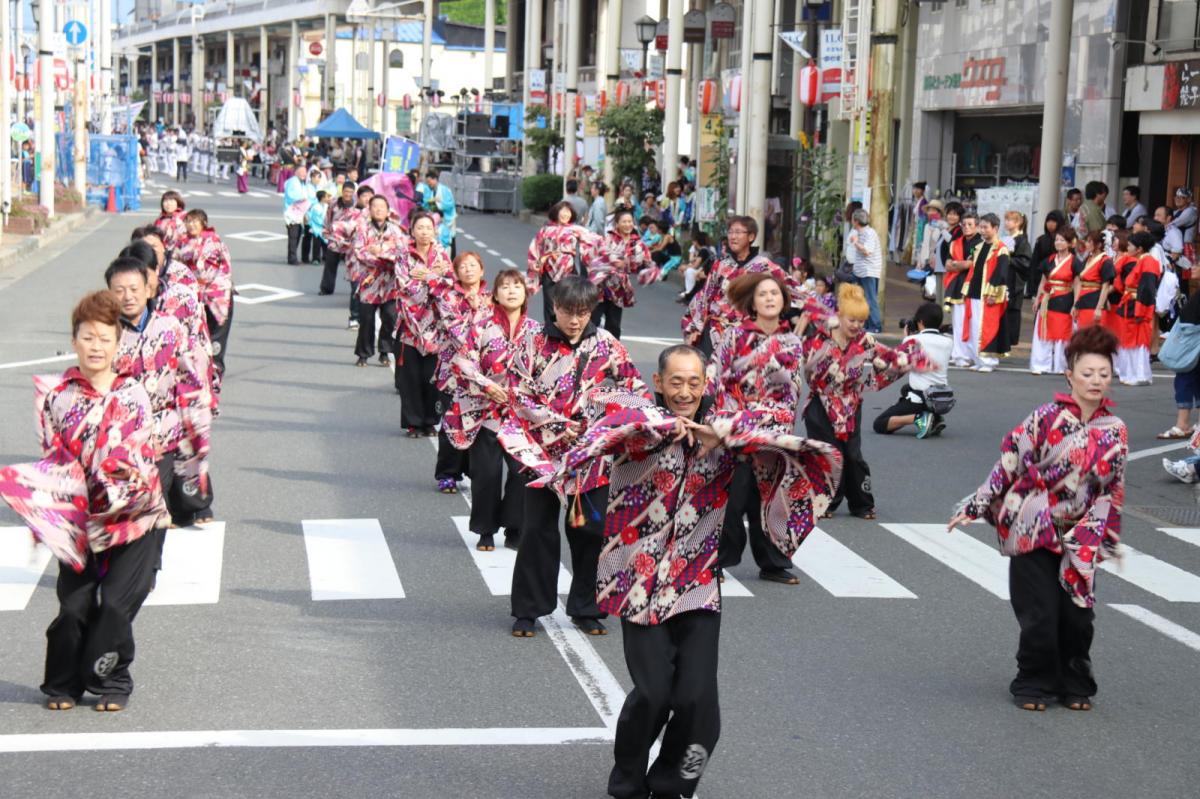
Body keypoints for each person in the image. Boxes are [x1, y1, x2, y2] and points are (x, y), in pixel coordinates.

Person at [552, 345, 838, 799]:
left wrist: (719, 432)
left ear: (706, 385)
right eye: (676, 382)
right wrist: (671, 426)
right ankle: (627, 781)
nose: (685, 392)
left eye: (694, 382)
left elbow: (775, 422)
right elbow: (606, 418)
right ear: (659, 383)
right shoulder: (636, 420)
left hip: (697, 581)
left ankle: (673, 783)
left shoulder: (724, 431)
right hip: (636, 582)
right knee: (653, 693)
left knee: (697, 700)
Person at [0, 291, 169, 712]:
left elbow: (144, 455)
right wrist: (45, 514)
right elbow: (52, 462)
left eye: (105, 338)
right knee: (73, 608)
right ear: (75, 340)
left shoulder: (134, 394)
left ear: (117, 344)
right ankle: (62, 683)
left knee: (114, 603)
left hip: (133, 518)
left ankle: (113, 678)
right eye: (88, 337)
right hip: (80, 521)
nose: (97, 346)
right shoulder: (57, 397)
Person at [949, 325, 1126, 713]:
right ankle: (1032, 681)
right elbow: (1009, 462)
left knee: (1078, 616)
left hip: (1082, 535)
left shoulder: (1116, 431)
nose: (1095, 381)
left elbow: (1114, 487)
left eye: (1103, 373)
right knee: (1040, 613)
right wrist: (976, 504)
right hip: (1032, 525)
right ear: (1070, 375)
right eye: (1087, 373)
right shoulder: (1046, 418)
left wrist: (1110, 536)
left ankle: (1074, 680)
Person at [502, 276, 644, 638]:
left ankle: (586, 607)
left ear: (592, 310)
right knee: (537, 531)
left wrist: (611, 419)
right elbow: (517, 392)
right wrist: (556, 423)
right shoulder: (533, 342)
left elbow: (634, 389)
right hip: (541, 455)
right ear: (554, 307)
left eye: (582, 312)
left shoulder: (607, 345)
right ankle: (528, 609)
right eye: (568, 311)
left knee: (591, 531)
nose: (575, 320)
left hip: (591, 455)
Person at [710, 273, 836, 584]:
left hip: (776, 433)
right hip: (738, 432)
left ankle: (773, 562)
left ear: (784, 301)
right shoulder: (734, 336)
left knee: (772, 499)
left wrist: (780, 427)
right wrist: (729, 424)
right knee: (731, 500)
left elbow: (792, 389)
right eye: (763, 294)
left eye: (775, 294)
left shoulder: (792, 341)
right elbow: (719, 381)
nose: (769, 298)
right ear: (751, 302)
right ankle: (717, 561)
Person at [802, 283, 927, 520]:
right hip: (821, 404)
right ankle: (825, 503)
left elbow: (890, 357)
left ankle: (862, 504)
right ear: (840, 315)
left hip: (850, 405)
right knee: (828, 455)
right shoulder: (820, 336)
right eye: (852, 320)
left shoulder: (865, 340)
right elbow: (807, 368)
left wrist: (912, 358)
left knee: (853, 455)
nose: (856, 325)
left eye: (861, 321)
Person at [107, 256, 211, 538]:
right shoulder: (105, 333)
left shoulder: (170, 327)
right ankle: (131, 567)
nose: (127, 297)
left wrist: (194, 422)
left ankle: (149, 567)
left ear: (149, 289)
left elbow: (190, 378)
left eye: (134, 288)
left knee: (155, 497)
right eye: (119, 290)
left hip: (162, 432)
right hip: (119, 437)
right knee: (125, 504)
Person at [442, 269, 538, 551]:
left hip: (521, 416)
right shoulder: (481, 326)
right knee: (486, 474)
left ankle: (514, 526)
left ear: (525, 293)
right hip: (485, 413)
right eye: (505, 286)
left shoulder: (536, 331)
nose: (511, 290)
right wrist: (485, 385)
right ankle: (485, 531)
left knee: (523, 472)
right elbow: (463, 362)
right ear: (495, 294)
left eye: (517, 286)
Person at [682, 215, 800, 357]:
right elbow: (705, 296)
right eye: (730, 232)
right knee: (708, 375)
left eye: (738, 232)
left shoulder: (764, 266)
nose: (733, 237)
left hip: (747, 335)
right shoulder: (721, 264)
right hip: (715, 331)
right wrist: (694, 327)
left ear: (751, 237)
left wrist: (822, 310)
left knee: (741, 377)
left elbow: (795, 290)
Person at [425, 249, 483, 493]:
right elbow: (458, 333)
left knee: (479, 424)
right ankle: (447, 473)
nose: (469, 269)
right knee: (451, 421)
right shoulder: (449, 298)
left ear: (482, 270)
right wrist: (476, 312)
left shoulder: (492, 298)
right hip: (453, 372)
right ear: (456, 273)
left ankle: (474, 470)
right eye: (463, 266)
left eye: (473, 265)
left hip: (484, 375)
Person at [393, 211, 452, 437]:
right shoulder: (403, 255)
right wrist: (432, 277)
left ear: (434, 230)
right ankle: (413, 423)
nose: (424, 232)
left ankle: (430, 421)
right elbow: (405, 287)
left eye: (428, 227)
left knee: (432, 378)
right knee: (410, 379)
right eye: (420, 227)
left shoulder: (442, 254)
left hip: (437, 329)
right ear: (412, 230)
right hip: (409, 327)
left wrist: (425, 276)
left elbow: (447, 287)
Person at [525, 201, 612, 325]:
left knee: (569, 301)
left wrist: (609, 251)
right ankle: (550, 333)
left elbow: (596, 240)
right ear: (556, 212)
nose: (565, 214)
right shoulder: (545, 230)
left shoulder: (576, 229)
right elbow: (535, 247)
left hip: (569, 269)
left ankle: (566, 332)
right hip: (549, 270)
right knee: (550, 305)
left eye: (568, 212)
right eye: (563, 211)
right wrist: (536, 263)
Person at [873, 302, 952, 438]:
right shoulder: (949, 342)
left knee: (879, 424)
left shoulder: (912, 339)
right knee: (905, 389)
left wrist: (906, 337)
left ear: (920, 322)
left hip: (920, 398)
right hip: (941, 397)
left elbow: (897, 362)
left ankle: (919, 418)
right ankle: (935, 417)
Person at [175, 209, 234, 383]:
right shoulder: (182, 244)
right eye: (189, 221)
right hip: (193, 296)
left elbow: (225, 268)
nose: (191, 225)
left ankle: (215, 371)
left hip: (217, 296)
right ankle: (196, 368)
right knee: (196, 333)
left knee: (216, 336)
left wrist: (211, 288)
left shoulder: (215, 242)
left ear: (204, 223)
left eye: (195, 221)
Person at [352, 195, 404, 368]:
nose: (378, 209)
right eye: (375, 206)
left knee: (390, 317)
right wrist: (382, 258)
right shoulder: (362, 229)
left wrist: (380, 252)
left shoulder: (396, 231)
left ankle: (385, 350)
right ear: (370, 209)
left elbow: (401, 253)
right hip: (369, 282)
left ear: (388, 211)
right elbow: (360, 252)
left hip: (390, 283)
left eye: (382, 206)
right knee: (366, 319)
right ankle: (363, 354)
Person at [959, 212, 1011, 372]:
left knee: (988, 327)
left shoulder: (1001, 249)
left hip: (988, 294)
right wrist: (966, 289)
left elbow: (1001, 273)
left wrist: (993, 293)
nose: (982, 230)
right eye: (981, 227)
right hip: (975, 292)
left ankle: (989, 361)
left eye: (985, 227)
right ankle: (978, 359)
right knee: (975, 327)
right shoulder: (979, 247)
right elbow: (973, 271)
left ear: (995, 228)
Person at [592, 208, 652, 340]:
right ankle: (587, 350)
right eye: (624, 221)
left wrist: (645, 269)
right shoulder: (608, 238)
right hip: (600, 285)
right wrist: (613, 262)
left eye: (630, 221)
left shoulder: (637, 243)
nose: (627, 224)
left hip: (619, 288)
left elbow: (645, 262)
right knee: (593, 320)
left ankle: (613, 354)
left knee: (614, 324)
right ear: (617, 224)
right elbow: (597, 256)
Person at [1114, 231, 1162, 386]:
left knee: (1138, 339)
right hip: (1131, 302)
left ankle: (1138, 374)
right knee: (1130, 339)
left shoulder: (1148, 262)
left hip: (1137, 304)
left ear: (1139, 248)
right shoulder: (1142, 260)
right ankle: (1131, 372)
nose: (1127, 247)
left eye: (1130, 245)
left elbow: (1147, 288)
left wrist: (1142, 310)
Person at [1030, 227, 1079, 375]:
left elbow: (1077, 285)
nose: (1058, 242)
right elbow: (1043, 281)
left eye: (1062, 240)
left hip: (1065, 299)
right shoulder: (1049, 260)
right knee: (1043, 331)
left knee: (1062, 333)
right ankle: (1040, 364)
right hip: (1047, 299)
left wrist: (1076, 304)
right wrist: (1037, 299)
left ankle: (1060, 365)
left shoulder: (1074, 262)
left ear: (1070, 243)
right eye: (1057, 240)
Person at [330, 184, 375, 329]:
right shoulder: (352, 213)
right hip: (355, 258)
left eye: (370, 196)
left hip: (372, 261)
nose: (367, 199)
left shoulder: (378, 214)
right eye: (364, 196)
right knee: (356, 287)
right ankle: (354, 317)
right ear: (359, 197)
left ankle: (366, 318)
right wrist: (345, 244)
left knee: (369, 290)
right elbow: (339, 230)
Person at [1158, 290, 1200, 441]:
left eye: (1197, 264)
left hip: (1192, 340)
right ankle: (1186, 425)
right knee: (1189, 379)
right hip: (1191, 339)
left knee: (1184, 379)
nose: (1193, 267)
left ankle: (1182, 425)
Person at [847, 209, 883, 333]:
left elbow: (867, 251)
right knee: (862, 299)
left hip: (869, 271)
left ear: (856, 221)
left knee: (870, 298)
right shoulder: (859, 233)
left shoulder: (869, 233)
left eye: (852, 219)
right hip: (860, 271)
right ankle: (867, 324)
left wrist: (856, 243)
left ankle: (876, 326)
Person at [319, 181, 358, 296]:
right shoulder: (333, 203)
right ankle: (326, 288)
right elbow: (328, 217)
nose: (348, 194)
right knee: (330, 264)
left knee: (353, 266)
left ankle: (355, 290)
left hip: (350, 240)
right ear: (342, 191)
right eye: (346, 191)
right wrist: (326, 230)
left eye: (350, 192)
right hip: (335, 238)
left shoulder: (356, 205)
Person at [1075, 231, 1117, 329]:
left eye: (1090, 242)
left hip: (1095, 301)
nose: (1086, 244)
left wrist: (1099, 308)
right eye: (1086, 241)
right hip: (1083, 300)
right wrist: (1076, 304)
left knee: (1094, 335)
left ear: (1098, 245)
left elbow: (1105, 286)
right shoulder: (1088, 258)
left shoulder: (1105, 261)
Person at [1003, 211, 1032, 346]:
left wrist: (1008, 258)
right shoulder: (1008, 238)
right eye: (1006, 220)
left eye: (1010, 220)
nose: (1007, 222)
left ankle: (1010, 339)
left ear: (1018, 223)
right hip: (1005, 277)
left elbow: (1025, 262)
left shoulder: (1022, 240)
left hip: (1014, 280)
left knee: (1012, 310)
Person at [419, 169, 457, 251]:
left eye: (429, 181)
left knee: (449, 239)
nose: (429, 184)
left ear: (435, 179)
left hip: (447, 218)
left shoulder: (444, 190)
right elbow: (430, 205)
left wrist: (438, 203)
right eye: (427, 182)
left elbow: (450, 204)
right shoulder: (432, 191)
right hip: (438, 219)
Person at [283, 164, 314, 265]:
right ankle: (292, 258)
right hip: (292, 212)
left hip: (299, 213)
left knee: (297, 234)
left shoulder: (301, 182)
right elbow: (292, 195)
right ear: (296, 172)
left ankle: (293, 256)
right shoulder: (293, 181)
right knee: (293, 236)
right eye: (301, 172)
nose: (304, 174)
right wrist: (302, 197)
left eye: (305, 172)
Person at [154, 191, 188, 255]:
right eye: (165, 201)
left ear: (178, 202)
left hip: (179, 252)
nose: (168, 204)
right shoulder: (160, 219)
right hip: (161, 251)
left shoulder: (184, 217)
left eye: (171, 201)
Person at [1169, 187, 1197, 263]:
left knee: (1186, 271)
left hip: (1185, 246)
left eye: (1182, 197)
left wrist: (1165, 224)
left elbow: (1173, 224)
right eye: (1176, 197)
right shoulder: (1177, 211)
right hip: (1177, 245)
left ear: (1188, 199)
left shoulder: (1191, 211)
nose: (1178, 199)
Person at [307, 190, 330, 266]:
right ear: (322, 198)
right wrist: (325, 224)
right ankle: (315, 258)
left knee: (325, 243)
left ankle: (326, 257)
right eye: (327, 196)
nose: (328, 198)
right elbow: (316, 219)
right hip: (317, 228)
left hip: (324, 228)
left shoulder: (327, 206)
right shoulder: (316, 207)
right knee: (317, 244)